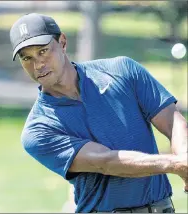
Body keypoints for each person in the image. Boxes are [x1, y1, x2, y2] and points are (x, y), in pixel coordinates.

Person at [10, 13, 188, 213]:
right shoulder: (38, 131)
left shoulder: (123, 70)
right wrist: (176, 164)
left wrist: (185, 156)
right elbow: (107, 162)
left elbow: (172, 120)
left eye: (43, 51)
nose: (38, 65)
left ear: (62, 42)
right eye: (27, 58)